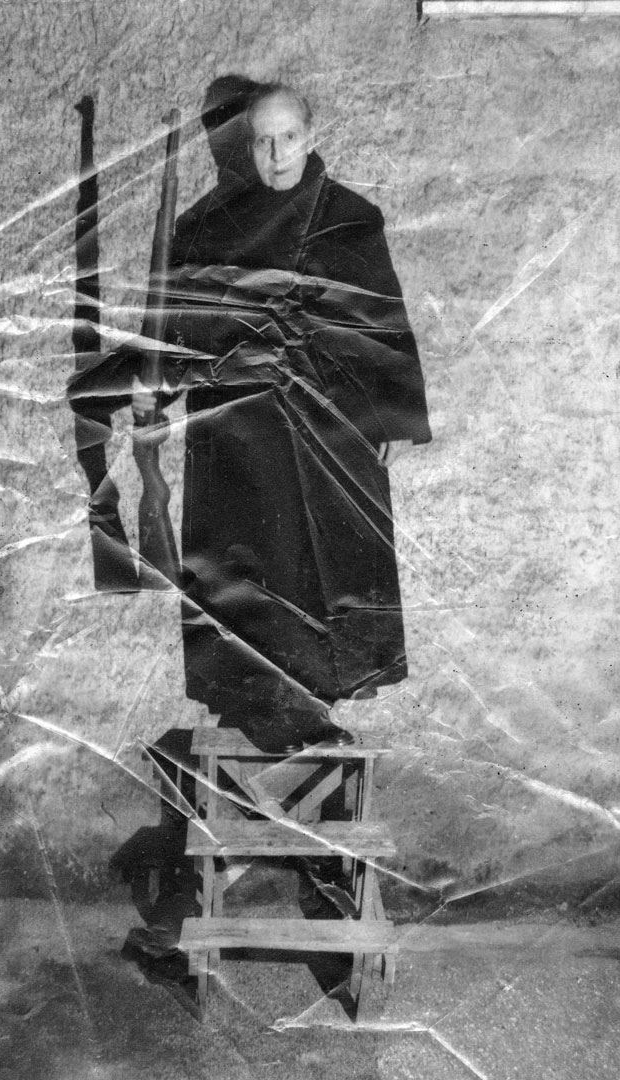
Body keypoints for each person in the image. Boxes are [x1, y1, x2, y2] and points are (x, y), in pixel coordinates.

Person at [132, 82, 431, 754]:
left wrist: (391, 416)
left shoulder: (350, 219)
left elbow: (381, 319)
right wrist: (158, 386)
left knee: (325, 567)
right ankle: (266, 710)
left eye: (287, 138)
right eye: (263, 141)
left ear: (311, 135)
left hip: (330, 426)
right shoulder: (208, 225)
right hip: (240, 429)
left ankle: (308, 711)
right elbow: (182, 326)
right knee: (250, 568)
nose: (275, 156)